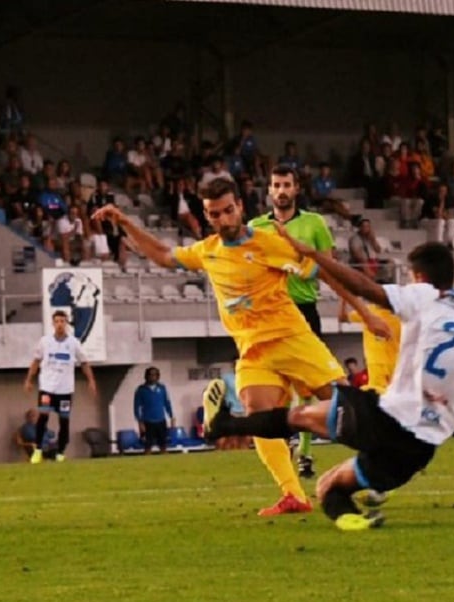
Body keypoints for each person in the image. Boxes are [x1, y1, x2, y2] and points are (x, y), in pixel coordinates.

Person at [92, 179, 391, 517]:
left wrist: (364, 312)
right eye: (214, 214)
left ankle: (382, 471)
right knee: (257, 415)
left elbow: (324, 272)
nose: (223, 218)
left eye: (228, 210)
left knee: (348, 413)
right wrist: (124, 222)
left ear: (240, 208)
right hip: (254, 351)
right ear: (207, 216)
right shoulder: (207, 250)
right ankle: (293, 494)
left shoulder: (269, 244)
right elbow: (163, 255)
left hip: (294, 340)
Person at [202, 240, 454, 531]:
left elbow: (364, 286)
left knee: (299, 417)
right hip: (420, 448)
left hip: (385, 417)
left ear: (419, 278)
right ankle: (355, 517)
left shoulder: (422, 296)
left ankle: (227, 425)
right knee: (330, 487)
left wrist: (315, 256)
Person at [248, 165, 336, 479]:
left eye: (286, 184)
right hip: (268, 313)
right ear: (269, 190)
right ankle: (282, 448)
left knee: (309, 385)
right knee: (273, 384)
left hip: (303, 308)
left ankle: (306, 454)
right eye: (276, 185)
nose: (281, 190)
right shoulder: (256, 226)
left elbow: (327, 263)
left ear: (296, 189)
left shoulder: (314, 223)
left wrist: (304, 269)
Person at [24, 310, 98, 463]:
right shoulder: (45, 341)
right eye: (57, 321)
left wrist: (91, 380)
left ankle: (60, 452)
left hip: (65, 390)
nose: (59, 324)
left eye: (62, 321)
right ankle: (38, 450)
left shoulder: (73, 343)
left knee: (64, 421)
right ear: (53, 323)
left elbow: (84, 362)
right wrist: (29, 379)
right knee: (43, 417)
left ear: (66, 323)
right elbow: (36, 361)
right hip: (47, 388)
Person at [134, 366, 174, 455]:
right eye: (150, 375)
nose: (152, 377)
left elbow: (167, 403)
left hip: (161, 420)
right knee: (148, 447)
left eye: (155, 375)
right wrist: (140, 422)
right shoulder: (141, 390)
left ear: (158, 376)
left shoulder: (162, 388)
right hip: (148, 422)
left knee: (163, 446)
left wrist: (172, 416)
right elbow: (137, 407)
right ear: (146, 376)